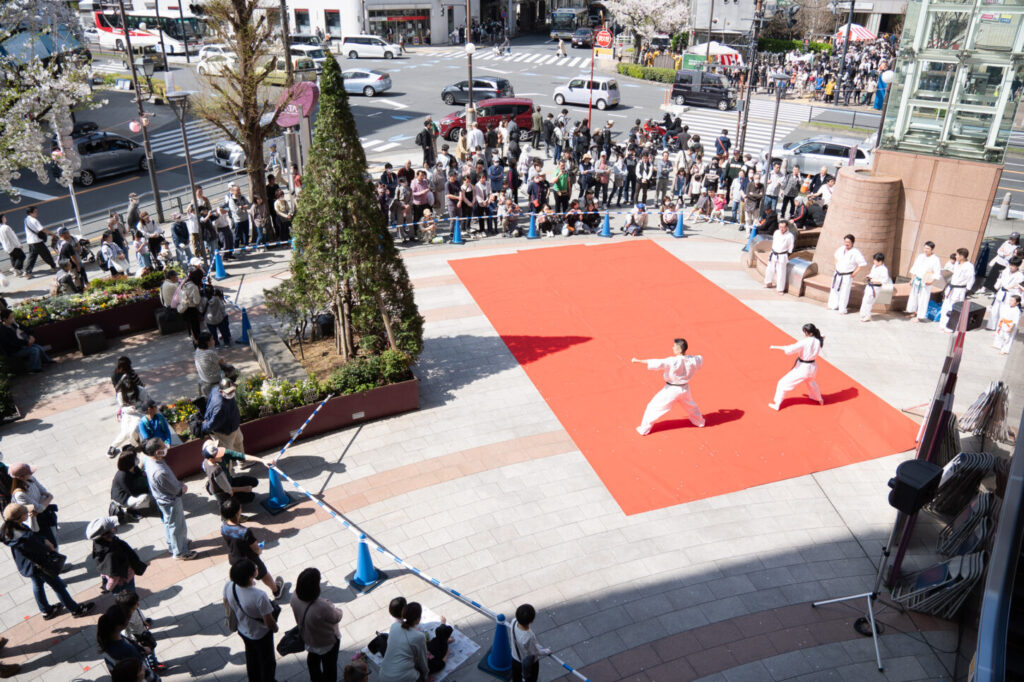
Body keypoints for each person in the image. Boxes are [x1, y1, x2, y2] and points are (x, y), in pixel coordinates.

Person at [1, 502, 95, 619]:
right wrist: (48, 545)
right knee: (58, 586)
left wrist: (42, 539)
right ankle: (75, 610)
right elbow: (41, 547)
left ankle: (46, 610)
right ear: (19, 518)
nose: (28, 513)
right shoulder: (24, 537)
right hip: (40, 565)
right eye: (26, 512)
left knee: (38, 584)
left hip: (28, 565)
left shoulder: (7, 530)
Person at [632, 338, 705, 435]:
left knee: (653, 407)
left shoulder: (672, 361)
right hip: (685, 389)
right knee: (691, 406)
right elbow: (700, 359)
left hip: (671, 390)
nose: (672, 348)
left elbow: (657, 362)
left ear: (679, 349)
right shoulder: (694, 359)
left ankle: (644, 429)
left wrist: (638, 360)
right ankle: (699, 421)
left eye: (674, 346)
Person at [140, 437, 197, 560]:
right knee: (177, 526)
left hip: (162, 499)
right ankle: (180, 552)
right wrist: (183, 487)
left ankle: (174, 544)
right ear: (156, 452)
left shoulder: (148, 460)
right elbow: (176, 491)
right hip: (170, 501)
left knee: (169, 523)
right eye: (163, 446)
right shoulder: (160, 472)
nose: (166, 447)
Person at [223, 558, 278, 682]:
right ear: (250, 576)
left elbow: (226, 603)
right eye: (255, 568)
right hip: (261, 635)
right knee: (267, 662)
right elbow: (268, 621)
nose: (257, 568)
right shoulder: (259, 596)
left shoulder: (229, 585)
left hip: (243, 630)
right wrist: (275, 628)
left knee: (251, 657)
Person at [220, 498, 283, 597]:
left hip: (235, 560)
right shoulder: (245, 532)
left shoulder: (223, 527)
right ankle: (276, 591)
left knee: (244, 581)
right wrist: (259, 550)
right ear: (238, 512)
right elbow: (256, 549)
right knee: (263, 574)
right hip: (250, 561)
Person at [291, 567, 343, 682]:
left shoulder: (294, 597)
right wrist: (332, 606)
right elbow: (337, 617)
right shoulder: (321, 607)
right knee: (330, 667)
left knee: (313, 662)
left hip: (308, 638)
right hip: (327, 642)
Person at [768, 323, 825, 411]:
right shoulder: (818, 340)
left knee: (782, 383)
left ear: (807, 332)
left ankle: (777, 404)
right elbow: (822, 337)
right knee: (811, 382)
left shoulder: (804, 342)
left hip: (803, 368)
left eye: (804, 332)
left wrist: (782, 348)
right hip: (813, 367)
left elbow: (790, 350)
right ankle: (819, 399)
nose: (803, 333)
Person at [87, 515, 147, 594]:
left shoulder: (99, 543)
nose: (115, 528)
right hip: (123, 581)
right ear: (107, 534)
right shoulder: (111, 553)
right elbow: (114, 578)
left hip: (121, 577)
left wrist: (107, 587)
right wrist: (108, 588)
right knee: (127, 597)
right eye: (113, 527)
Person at [96, 605, 158, 681]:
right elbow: (146, 672)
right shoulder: (127, 650)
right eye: (128, 618)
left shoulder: (107, 639)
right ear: (122, 625)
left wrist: (141, 649)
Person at [9, 462, 59, 548]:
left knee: (53, 535)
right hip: (37, 521)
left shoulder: (31, 478)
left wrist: (41, 505)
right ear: (21, 477)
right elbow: (40, 506)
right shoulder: (19, 494)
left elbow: (43, 491)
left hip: (45, 514)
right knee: (50, 544)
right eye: (29, 472)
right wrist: (47, 499)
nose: (31, 474)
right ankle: (55, 559)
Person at [378, 601, 430, 682]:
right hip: (402, 678)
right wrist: (426, 675)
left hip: (383, 675)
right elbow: (422, 660)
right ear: (418, 619)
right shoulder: (419, 636)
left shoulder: (394, 626)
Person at [204, 439, 262, 505]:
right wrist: (244, 489)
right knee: (248, 498)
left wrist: (262, 460)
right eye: (216, 447)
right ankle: (228, 503)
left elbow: (241, 456)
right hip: (223, 492)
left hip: (228, 482)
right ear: (211, 458)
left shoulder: (207, 462)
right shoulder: (217, 471)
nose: (219, 448)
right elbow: (227, 489)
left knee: (254, 481)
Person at [508, 603, 551, 682]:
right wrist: (546, 651)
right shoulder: (528, 636)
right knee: (530, 679)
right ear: (531, 620)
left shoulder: (514, 621)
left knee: (516, 678)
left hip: (515, 658)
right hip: (527, 663)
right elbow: (534, 652)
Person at [827, 234, 867, 315]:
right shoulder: (841, 249)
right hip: (838, 273)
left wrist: (853, 274)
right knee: (834, 289)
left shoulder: (856, 252)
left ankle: (842, 309)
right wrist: (836, 266)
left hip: (847, 275)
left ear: (852, 243)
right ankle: (832, 305)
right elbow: (835, 257)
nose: (846, 244)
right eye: (845, 242)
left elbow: (862, 264)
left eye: (848, 242)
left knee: (844, 292)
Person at [203, 378, 245, 453]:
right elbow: (213, 423)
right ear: (220, 391)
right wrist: (203, 427)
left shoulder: (215, 390)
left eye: (232, 390)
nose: (231, 393)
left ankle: (242, 463)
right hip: (225, 431)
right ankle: (228, 465)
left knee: (238, 442)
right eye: (229, 392)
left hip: (233, 424)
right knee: (227, 452)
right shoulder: (219, 406)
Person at [111, 447, 153, 522]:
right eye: (135, 458)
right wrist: (148, 490)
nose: (137, 459)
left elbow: (141, 475)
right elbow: (133, 492)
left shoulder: (134, 468)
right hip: (122, 498)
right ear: (130, 462)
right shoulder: (122, 476)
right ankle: (131, 510)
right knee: (145, 498)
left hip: (132, 490)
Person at [940, 247, 975, 332]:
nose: (956, 256)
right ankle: (943, 324)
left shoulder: (969, 266)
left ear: (962, 256)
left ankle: (951, 327)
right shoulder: (956, 264)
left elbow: (971, 279)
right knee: (946, 306)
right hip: (951, 287)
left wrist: (967, 289)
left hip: (960, 289)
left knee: (954, 308)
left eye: (957, 255)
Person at [906, 241, 942, 322]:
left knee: (923, 299)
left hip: (926, 281)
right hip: (917, 279)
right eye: (925, 248)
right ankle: (913, 312)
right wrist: (912, 279)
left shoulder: (935, 259)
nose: (925, 250)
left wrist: (931, 282)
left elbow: (937, 272)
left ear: (932, 250)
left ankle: (919, 316)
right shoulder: (920, 256)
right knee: (913, 297)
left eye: (928, 248)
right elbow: (914, 268)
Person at [987, 257, 1023, 331]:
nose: (1011, 267)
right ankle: (991, 326)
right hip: (1001, 292)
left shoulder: (1020, 276)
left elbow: (1019, 290)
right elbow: (1000, 279)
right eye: (1010, 264)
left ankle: (1000, 328)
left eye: (1013, 265)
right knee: (995, 310)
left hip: (1010, 295)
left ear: (1017, 266)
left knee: (1004, 312)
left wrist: (1016, 300)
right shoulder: (1005, 271)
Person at [22, 207, 56, 278]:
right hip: (37, 241)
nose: (37, 213)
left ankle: (27, 272)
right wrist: (52, 233)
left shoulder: (26, 219)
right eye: (35, 212)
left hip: (30, 241)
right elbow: (42, 229)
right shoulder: (34, 220)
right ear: (30, 213)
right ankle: (53, 267)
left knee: (32, 257)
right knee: (46, 255)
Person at [764, 220, 795, 293]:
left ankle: (780, 289)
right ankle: (768, 282)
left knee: (781, 272)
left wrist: (786, 254)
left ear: (786, 227)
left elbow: (790, 247)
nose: (781, 229)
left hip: (782, 255)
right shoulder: (776, 232)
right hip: (774, 253)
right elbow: (774, 241)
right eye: (780, 227)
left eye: (783, 227)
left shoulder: (790, 236)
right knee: (769, 269)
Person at [859, 253, 891, 322]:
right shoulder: (874, 266)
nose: (874, 262)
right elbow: (872, 274)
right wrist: (869, 276)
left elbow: (884, 280)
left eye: (875, 260)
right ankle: (863, 313)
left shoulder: (884, 269)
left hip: (875, 288)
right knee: (865, 300)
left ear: (880, 261)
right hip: (869, 285)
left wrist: (875, 281)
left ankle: (868, 316)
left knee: (869, 301)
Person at [177, 267, 204, 340]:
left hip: (184, 309)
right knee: (196, 330)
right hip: (191, 310)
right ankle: (199, 346)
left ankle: (195, 343)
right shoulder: (194, 287)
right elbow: (196, 301)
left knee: (191, 329)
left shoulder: (184, 282)